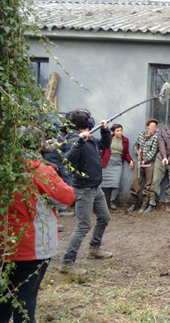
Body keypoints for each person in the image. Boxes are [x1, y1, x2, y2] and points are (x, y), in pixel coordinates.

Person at [0, 126, 75, 323]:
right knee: (25, 301)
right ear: (39, 144)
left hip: (4, 243)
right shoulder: (39, 170)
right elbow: (67, 196)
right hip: (33, 246)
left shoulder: (4, 168)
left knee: (4, 298)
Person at [60, 109, 114, 275]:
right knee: (83, 225)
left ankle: (94, 249)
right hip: (83, 189)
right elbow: (67, 161)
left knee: (104, 217)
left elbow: (104, 144)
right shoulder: (74, 140)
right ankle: (67, 263)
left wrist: (105, 130)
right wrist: (80, 142)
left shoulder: (89, 138)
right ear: (88, 123)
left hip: (96, 187)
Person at [146, 114, 170, 212]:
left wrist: (169, 159)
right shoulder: (162, 130)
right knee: (155, 180)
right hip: (161, 158)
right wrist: (164, 157)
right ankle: (152, 203)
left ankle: (168, 201)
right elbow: (161, 144)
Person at [127, 118, 159, 213]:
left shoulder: (156, 137)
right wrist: (137, 153)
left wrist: (145, 160)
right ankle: (134, 203)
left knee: (148, 184)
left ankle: (144, 204)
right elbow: (135, 145)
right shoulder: (141, 134)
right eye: (152, 126)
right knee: (135, 182)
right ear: (147, 126)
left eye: (155, 127)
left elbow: (154, 151)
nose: (154, 128)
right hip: (139, 161)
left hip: (150, 163)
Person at [101, 123, 133, 210]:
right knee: (102, 182)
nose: (120, 132)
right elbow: (103, 151)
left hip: (118, 163)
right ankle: (101, 202)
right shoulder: (109, 138)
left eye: (121, 130)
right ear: (113, 132)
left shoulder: (125, 140)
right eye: (117, 131)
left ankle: (112, 201)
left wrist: (130, 160)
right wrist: (100, 160)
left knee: (115, 182)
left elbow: (126, 153)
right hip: (108, 161)